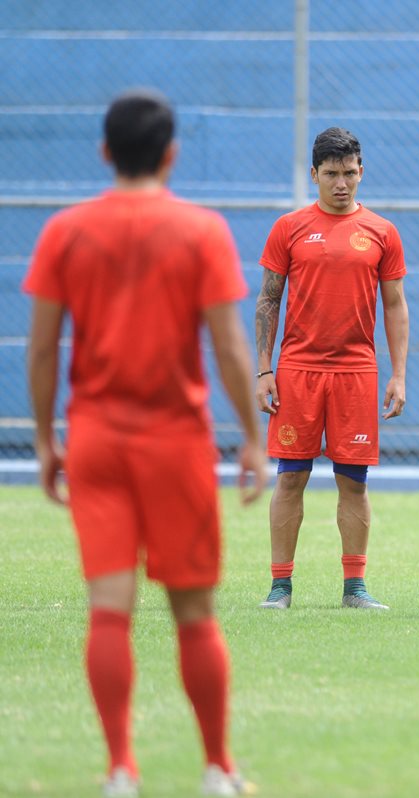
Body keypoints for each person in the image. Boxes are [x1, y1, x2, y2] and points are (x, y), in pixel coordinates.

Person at [24, 88, 267, 797]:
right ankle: (218, 769)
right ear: (172, 154)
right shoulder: (200, 230)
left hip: (95, 439)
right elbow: (226, 343)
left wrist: (46, 440)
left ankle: (120, 770)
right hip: (174, 442)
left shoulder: (65, 230)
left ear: (105, 152)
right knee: (193, 613)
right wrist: (253, 437)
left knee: (109, 607)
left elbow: (41, 351)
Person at [255, 127, 409, 611]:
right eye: (331, 174)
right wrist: (264, 370)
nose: (341, 184)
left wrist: (398, 374)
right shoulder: (290, 227)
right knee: (291, 476)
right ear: (314, 175)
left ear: (361, 172)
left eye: (349, 173)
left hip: (357, 373)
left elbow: (396, 306)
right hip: (298, 370)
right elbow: (268, 300)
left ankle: (355, 589)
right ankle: (280, 587)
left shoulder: (383, 232)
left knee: (354, 481)